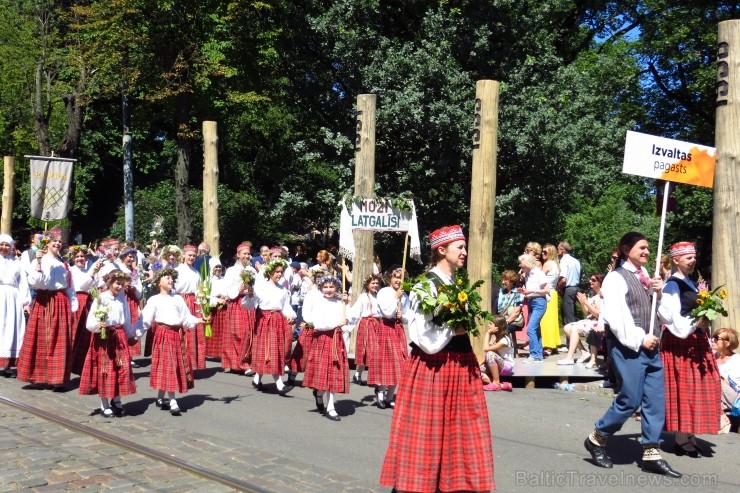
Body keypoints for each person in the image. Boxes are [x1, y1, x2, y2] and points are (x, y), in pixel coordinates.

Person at [380, 225, 494, 493]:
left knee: (459, 432)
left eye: (465, 247)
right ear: (442, 250)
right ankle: (418, 484)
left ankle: (452, 483)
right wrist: (455, 329)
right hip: (435, 366)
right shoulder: (425, 285)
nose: (465, 252)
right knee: (428, 434)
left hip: (459, 364)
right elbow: (421, 335)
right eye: (460, 247)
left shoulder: (457, 284)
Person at [583, 231, 681, 478]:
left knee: (655, 401)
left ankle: (651, 452)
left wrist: (662, 291)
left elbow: (666, 316)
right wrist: (640, 338)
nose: (647, 252)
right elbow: (616, 317)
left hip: (653, 347)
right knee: (630, 398)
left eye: (648, 248)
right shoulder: (615, 279)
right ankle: (597, 437)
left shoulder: (649, 277)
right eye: (642, 248)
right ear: (627, 250)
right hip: (629, 347)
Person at [657, 241, 722, 457]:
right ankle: (681, 437)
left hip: (695, 340)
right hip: (681, 341)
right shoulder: (672, 285)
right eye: (688, 257)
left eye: (694, 257)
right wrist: (696, 323)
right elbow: (669, 317)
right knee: (684, 388)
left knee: (699, 386)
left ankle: (689, 433)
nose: (693, 260)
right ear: (675, 260)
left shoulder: (693, 283)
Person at [17, 230, 79, 390]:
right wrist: (38, 263)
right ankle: (39, 377)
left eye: (60, 242)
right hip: (44, 301)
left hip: (60, 301)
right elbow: (37, 283)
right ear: (47, 243)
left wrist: (73, 304)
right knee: (42, 339)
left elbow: (69, 286)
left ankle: (57, 379)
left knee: (59, 340)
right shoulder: (41, 260)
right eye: (54, 241)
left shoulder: (63, 263)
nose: (58, 244)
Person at [138, 267, 201, 415]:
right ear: (159, 282)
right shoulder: (154, 300)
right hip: (163, 334)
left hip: (176, 334)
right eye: (167, 278)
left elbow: (186, 317)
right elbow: (145, 320)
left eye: (172, 278)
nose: (170, 280)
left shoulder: (178, 298)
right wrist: (135, 334)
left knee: (172, 365)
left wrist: (198, 320)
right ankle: (172, 401)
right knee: (168, 365)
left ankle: (160, 397)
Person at [80, 269, 137, 418]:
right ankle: (104, 403)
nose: (119, 287)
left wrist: (130, 334)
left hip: (119, 336)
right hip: (104, 338)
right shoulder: (101, 298)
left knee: (122, 368)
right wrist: (98, 326)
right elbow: (90, 322)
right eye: (117, 283)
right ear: (110, 282)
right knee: (106, 370)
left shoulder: (122, 299)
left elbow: (126, 318)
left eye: (122, 285)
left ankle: (117, 400)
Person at [242, 258, 296, 395]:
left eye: (281, 272)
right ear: (270, 272)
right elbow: (248, 305)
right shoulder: (261, 288)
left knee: (273, 350)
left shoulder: (283, 289)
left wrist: (289, 315)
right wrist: (249, 295)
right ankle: (279, 384)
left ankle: (256, 379)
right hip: (265, 320)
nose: (279, 274)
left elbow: (285, 306)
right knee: (270, 350)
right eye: (276, 272)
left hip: (278, 321)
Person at [302, 275, 352, 421]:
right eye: (325, 287)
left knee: (334, 374)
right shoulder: (318, 302)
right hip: (323, 339)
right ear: (321, 288)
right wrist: (337, 323)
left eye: (331, 287)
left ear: (336, 287)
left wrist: (347, 304)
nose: (328, 290)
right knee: (323, 373)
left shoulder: (339, 303)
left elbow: (349, 322)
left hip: (336, 340)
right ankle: (319, 394)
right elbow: (317, 323)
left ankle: (331, 407)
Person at [372, 266, 409, 409]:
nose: (399, 281)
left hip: (397, 329)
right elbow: (387, 312)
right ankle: (380, 392)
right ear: (390, 278)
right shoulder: (384, 292)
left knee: (399, 364)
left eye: (401, 278)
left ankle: (390, 396)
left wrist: (403, 316)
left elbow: (408, 315)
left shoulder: (405, 296)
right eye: (396, 277)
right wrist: (395, 298)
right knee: (386, 363)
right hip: (386, 328)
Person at [223, 242, 257, 375]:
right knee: (239, 334)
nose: (247, 256)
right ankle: (238, 363)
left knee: (249, 334)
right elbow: (226, 288)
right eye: (245, 254)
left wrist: (252, 291)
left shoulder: (252, 270)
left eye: (249, 254)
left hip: (249, 303)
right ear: (238, 255)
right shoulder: (231, 270)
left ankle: (245, 361)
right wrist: (239, 289)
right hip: (237, 303)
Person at [0, 234, 31, 377]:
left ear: (12, 247)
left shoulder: (16, 263)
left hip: (13, 298)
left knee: (10, 329)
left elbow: (23, 283)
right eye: (2, 244)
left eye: (7, 245)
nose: (4, 247)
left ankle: (6, 365)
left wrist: (26, 302)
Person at [558, 273, 604, 366]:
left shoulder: (603, 295)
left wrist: (586, 302)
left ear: (600, 282)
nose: (590, 281)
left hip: (599, 322)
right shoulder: (592, 294)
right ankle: (584, 352)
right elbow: (586, 313)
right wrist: (583, 303)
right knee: (567, 327)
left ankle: (569, 357)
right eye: (590, 279)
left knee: (574, 328)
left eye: (593, 280)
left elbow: (599, 315)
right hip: (590, 320)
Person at [175, 245, 206, 371]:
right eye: (189, 255)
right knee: (183, 331)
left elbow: (199, 290)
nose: (191, 258)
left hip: (194, 302)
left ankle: (192, 363)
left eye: (193, 256)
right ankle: (182, 362)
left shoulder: (196, 272)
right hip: (182, 301)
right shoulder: (177, 270)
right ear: (183, 255)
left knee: (194, 332)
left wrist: (202, 306)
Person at [349, 273, 383, 386]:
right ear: (367, 284)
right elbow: (355, 312)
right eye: (373, 283)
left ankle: (372, 376)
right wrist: (347, 323)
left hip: (378, 324)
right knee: (366, 351)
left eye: (377, 283)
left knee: (376, 351)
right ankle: (358, 374)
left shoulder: (381, 296)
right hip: (367, 324)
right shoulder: (363, 297)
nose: (375, 285)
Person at [68, 245, 97, 375]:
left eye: (82, 256)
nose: (80, 259)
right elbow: (81, 286)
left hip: (87, 303)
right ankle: (68, 365)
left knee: (85, 336)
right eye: (77, 256)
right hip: (76, 301)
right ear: (73, 258)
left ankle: (79, 366)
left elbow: (93, 287)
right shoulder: (70, 270)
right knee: (73, 334)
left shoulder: (87, 271)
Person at [518, 253, 548, 363]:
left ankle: (534, 354)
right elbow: (530, 290)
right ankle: (538, 355)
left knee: (530, 329)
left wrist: (532, 291)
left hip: (539, 302)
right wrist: (525, 292)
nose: (520, 265)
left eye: (521, 262)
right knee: (536, 329)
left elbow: (547, 290)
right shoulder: (528, 274)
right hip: (531, 301)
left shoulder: (538, 273)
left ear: (527, 262)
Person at [712, 327, 739, 433]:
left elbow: (734, 384)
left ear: (727, 343)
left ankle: (722, 418)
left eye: (716, 338)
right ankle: (721, 417)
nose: (713, 340)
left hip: (734, 397)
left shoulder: (736, 359)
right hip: (718, 395)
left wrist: (715, 376)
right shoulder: (712, 357)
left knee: (714, 381)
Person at [481, 315, 514, 392]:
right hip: (498, 365)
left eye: (491, 323)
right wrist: (477, 365)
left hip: (506, 366)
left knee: (490, 354)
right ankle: (503, 385)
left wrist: (488, 333)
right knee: (477, 371)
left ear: (497, 327)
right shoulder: (497, 338)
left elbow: (486, 349)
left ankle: (496, 382)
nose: (488, 325)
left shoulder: (504, 340)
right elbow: (486, 355)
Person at [497, 269, 525, 357]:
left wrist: (507, 322)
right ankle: (497, 351)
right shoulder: (501, 292)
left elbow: (517, 312)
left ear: (512, 280)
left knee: (502, 330)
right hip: (502, 320)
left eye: (505, 280)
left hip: (514, 321)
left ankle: (503, 352)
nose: (503, 282)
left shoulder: (517, 292)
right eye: (502, 279)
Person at [540, 243, 561, 353]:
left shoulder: (547, 264)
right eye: (542, 252)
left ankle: (547, 345)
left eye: (545, 252)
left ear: (551, 253)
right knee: (552, 320)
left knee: (545, 320)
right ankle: (553, 344)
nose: (542, 254)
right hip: (553, 293)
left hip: (547, 294)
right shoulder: (556, 264)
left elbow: (540, 278)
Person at [206, 258, 227, 360]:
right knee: (214, 331)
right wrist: (217, 300)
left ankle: (222, 353)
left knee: (223, 331)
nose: (218, 269)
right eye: (216, 267)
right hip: (214, 309)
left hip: (224, 309)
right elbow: (206, 296)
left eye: (219, 267)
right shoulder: (208, 281)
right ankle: (213, 352)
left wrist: (225, 297)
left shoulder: (224, 279)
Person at [558, 241, 582, 326]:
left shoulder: (564, 261)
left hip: (568, 290)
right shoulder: (576, 261)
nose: (558, 251)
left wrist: (558, 288)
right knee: (573, 314)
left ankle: (571, 338)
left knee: (568, 318)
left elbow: (564, 279)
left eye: (558, 249)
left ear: (562, 250)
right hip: (576, 288)